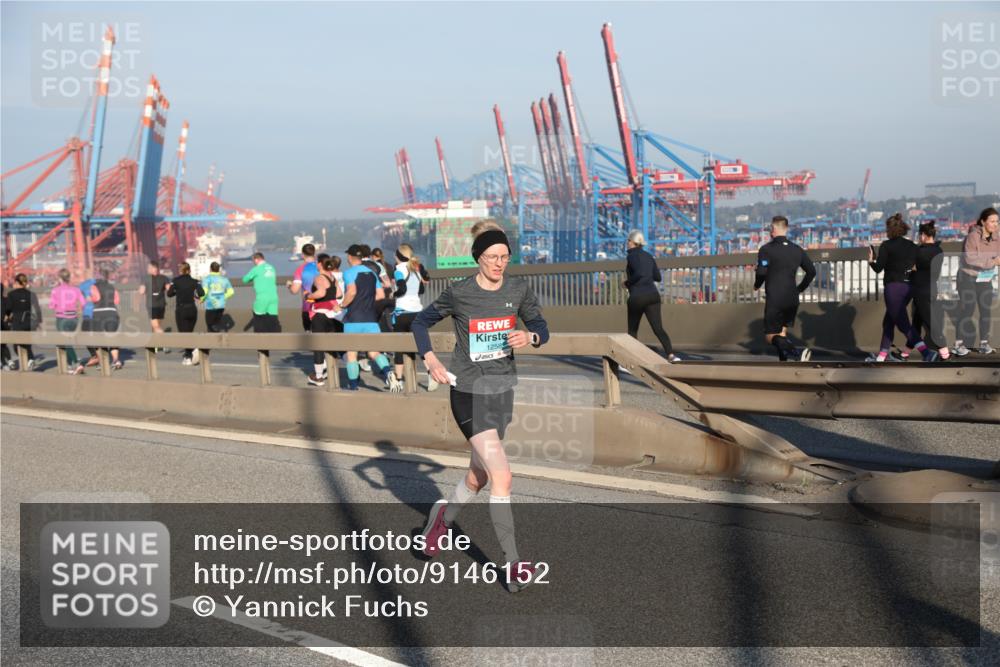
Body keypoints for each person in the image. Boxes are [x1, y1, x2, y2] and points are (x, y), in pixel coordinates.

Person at [411, 220, 549, 593]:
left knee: (479, 477)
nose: (499, 263)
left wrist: (531, 335)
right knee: (502, 475)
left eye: (504, 256)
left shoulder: (519, 289)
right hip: (468, 392)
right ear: (478, 258)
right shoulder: (460, 293)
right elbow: (420, 321)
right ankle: (514, 565)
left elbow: (540, 325)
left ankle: (441, 517)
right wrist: (431, 360)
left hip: (502, 390)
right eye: (492, 257)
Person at [867, 213, 936, 362]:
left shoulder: (886, 246)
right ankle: (881, 357)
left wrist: (871, 260)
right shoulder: (912, 246)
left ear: (889, 230)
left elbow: (879, 268)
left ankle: (926, 353)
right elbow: (918, 265)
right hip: (908, 287)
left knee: (903, 324)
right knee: (889, 321)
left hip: (893, 288)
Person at [339, 244, 402, 392]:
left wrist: (342, 305)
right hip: (371, 319)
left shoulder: (349, 273)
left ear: (349, 257)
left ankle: (353, 386)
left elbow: (351, 292)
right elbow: (380, 295)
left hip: (353, 318)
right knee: (374, 352)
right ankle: (388, 372)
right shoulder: (371, 273)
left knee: (351, 354)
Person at [753, 216, 817, 362]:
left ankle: (797, 353)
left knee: (770, 336)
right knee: (782, 332)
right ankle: (784, 362)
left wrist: (757, 284)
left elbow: (762, 272)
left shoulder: (766, 249)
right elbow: (812, 271)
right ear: (786, 229)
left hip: (775, 298)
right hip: (792, 298)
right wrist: (799, 289)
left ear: (772, 230)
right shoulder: (797, 249)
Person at [623, 230, 681, 363]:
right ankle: (672, 355)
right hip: (653, 296)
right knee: (658, 328)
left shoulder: (631, 256)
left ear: (633, 242)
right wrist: (647, 274)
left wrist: (626, 282)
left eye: (628, 241)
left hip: (637, 297)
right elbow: (658, 277)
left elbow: (638, 273)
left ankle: (629, 362)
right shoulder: (649, 256)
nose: (627, 243)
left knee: (632, 331)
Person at [953, 206, 999, 356]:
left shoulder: (997, 238)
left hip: (985, 278)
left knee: (986, 311)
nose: (995, 224)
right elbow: (970, 258)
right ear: (983, 222)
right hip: (967, 277)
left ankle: (984, 343)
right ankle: (958, 344)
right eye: (992, 221)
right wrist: (992, 262)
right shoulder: (973, 236)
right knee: (968, 309)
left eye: (997, 222)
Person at [390, 244, 431, 389]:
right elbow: (420, 289)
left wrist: (393, 294)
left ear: (398, 256)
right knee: (421, 344)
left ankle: (399, 379)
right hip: (417, 311)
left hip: (402, 312)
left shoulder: (399, 269)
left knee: (399, 347)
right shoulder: (416, 268)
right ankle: (431, 373)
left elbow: (402, 289)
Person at [908, 221, 949, 361]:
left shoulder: (920, 251)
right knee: (917, 322)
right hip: (932, 288)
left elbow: (911, 268)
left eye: (920, 235)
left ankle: (944, 352)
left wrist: (913, 269)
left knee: (930, 322)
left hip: (920, 290)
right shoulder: (939, 250)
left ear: (924, 235)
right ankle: (905, 352)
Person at [305, 257, 342, 386]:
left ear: (320, 264)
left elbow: (320, 293)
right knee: (330, 344)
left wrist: (308, 296)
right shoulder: (332, 277)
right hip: (332, 315)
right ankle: (328, 369)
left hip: (320, 314)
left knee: (318, 345)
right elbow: (338, 294)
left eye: (317, 262)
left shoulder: (319, 277)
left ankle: (319, 377)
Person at [49, 268, 87, 374]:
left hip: (61, 319)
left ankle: (77, 362)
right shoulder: (76, 289)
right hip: (74, 319)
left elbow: (51, 305)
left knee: (65, 342)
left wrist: (56, 304)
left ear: (60, 278)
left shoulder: (55, 290)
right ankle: (70, 366)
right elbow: (83, 303)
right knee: (68, 342)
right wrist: (79, 310)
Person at [167, 262, 205, 365]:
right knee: (189, 332)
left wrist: (177, 291)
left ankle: (189, 356)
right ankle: (190, 353)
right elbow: (202, 293)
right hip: (192, 310)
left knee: (184, 334)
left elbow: (169, 294)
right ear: (189, 270)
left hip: (181, 310)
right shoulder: (195, 281)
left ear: (180, 270)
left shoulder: (176, 281)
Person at [89, 269, 123, 370]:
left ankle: (102, 362)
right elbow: (117, 301)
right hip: (112, 313)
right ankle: (116, 360)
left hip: (99, 313)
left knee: (98, 339)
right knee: (112, 337)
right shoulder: (112, 287)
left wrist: (89, 298)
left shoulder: (94, 286)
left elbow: (96, 298)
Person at [7, 273, 41, 370]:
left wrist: (7, 316)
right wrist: (39, 321)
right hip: (29, 322)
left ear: (17, 282)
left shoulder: (11, 294)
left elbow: (8, 308)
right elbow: (37, 309)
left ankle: (28, 360)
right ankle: (30, 360)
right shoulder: (31, 294)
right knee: (27, 343)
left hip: (17, 322)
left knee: (16, 344)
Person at [243, 252, 280, 333]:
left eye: (253, 261)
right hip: (274, 297)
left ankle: (260, 341)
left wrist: (252, 278)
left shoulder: (256, 269)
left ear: (256, 260)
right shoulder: (271, 267)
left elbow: (245, 280)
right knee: (273, 320)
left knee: (258, 318)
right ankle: (276, 341)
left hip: (262, 297)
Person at [139, 260, 170, 349]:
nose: (148, 269)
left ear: (153, 268)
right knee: (157, 325)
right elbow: (170, 290)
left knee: (155, 326)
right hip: (161, 305)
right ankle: (156, 345)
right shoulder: (164, 278)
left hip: (151, 305)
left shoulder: (145, 278)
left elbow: (141, 292)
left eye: (149, 268)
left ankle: (164, 344)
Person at [288, 242, 319, 332]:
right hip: (322, 306)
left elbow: (294, 290)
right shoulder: (321, 266)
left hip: (308, 306)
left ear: (302, 255)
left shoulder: (300, 269)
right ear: (314, 253)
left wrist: (289, 285)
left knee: (309, 337)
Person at [201, 262, 234, 332]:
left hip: (211, 306)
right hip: (220, 306)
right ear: (218, 269)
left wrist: (202, 299)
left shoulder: (207, 279)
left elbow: (205, 291)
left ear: (210, 269)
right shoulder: (224, 279)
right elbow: (231, 292)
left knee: (210, 326)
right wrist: (223, 297)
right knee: (217, 325)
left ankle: (213, 341)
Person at [1, 283, 11, 369]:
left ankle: (4, 363)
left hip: (3, 325)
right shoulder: (6, 299)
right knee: (3, 345)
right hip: (5, 325)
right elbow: (9, 311)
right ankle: (9, 361)